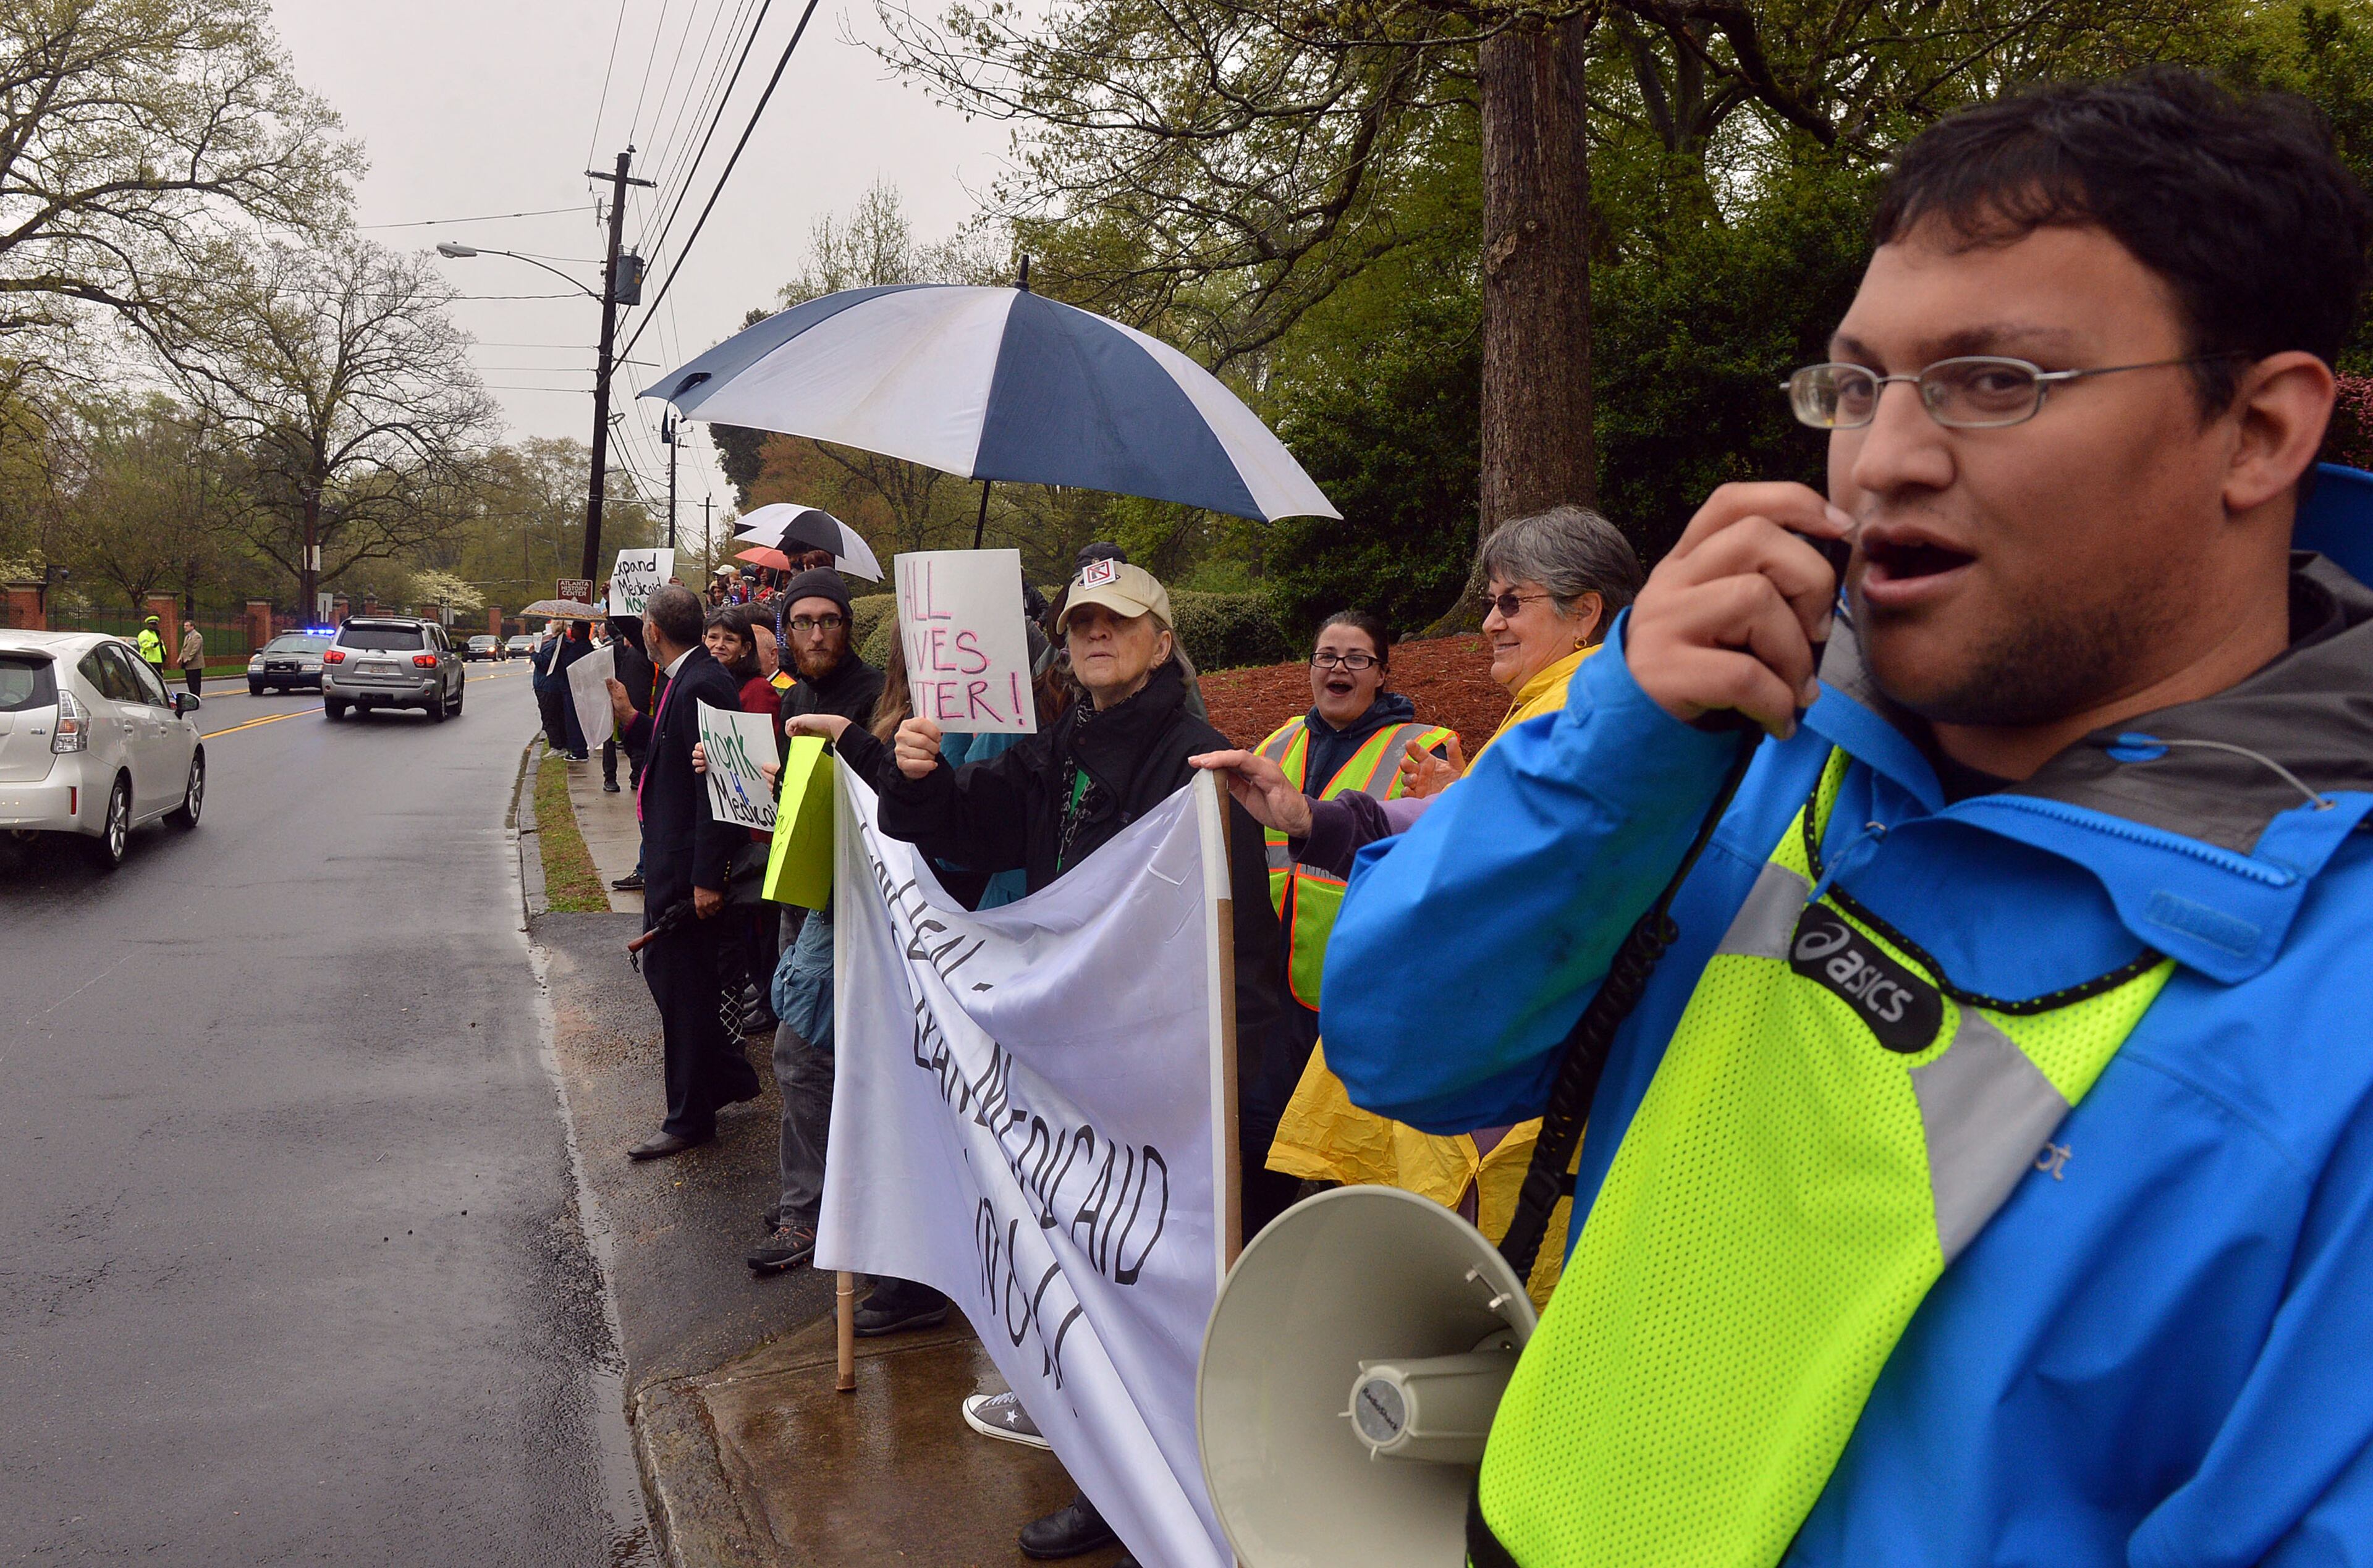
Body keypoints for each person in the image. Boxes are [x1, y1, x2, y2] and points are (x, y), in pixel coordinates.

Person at [1321, 70, 2373, 1566]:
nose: (1883, 458)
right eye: (1856, 384)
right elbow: (1401, 1044)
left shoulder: (2338, 1004)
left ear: (2260, 429)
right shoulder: (1737, 743)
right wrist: (1616, 738)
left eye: (1994, 380)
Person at [843, 557, 1295, 1566]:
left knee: (1158, 1297)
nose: (1094, 635)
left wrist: (1228, 1093)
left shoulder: (1198, 763)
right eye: (1081, 622)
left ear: (1161, 641)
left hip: (1177, 1083)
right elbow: (975, 819)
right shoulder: (1069, 740)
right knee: (1094, 1285)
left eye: (1118, 622)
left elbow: (1236, 952)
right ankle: (1112, 1478)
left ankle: (1177, 1491)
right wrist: (907, 775)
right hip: (1086, 1066)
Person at [1198, 513, 1643, 1301]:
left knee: (1489, 1295)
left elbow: (1506, 867)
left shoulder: (1576, 708)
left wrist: (1328, 822)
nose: (1490, 621)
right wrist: (1318, 817)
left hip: (1504, 1063)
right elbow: (1491, 826)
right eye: (1492, 601)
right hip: (1484, 1048)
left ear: (1586, 613)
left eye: (1512, 602)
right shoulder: (1569, 702)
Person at [740, 568, 894, 1289]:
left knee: (801, 1057)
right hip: (801, 891)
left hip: (857, 902)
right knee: (808, 1060)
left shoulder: (876, 697)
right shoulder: (792, 697)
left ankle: (810, 1212)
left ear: (849, 626)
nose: (815, 634)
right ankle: (815, 1197)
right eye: (801, 622)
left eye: (828, 621)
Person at [606, 584, 762, 1160]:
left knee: (681, 988)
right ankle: (727, 1077)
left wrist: (706, 878)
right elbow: (675, 754)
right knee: (677, 983)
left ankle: (689, 1118)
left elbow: (716, 788)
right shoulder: (688, 676)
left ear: (652, 631)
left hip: (689, 871)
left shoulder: (703, 682)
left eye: (643, 623)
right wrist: (631, 719)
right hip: (675, 862)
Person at [601, 613, 655, 801]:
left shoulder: (638, 653)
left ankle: (615, 777)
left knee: (611, 739)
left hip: (627, 705)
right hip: (624, 704)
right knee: (611, 739)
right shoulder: (633, 653)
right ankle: (616, 777)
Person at [531, 620, 569, 752]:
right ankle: (562, 744)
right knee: (558, 716)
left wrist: (534, 653)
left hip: (547, 686)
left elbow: (544, 663)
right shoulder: (564, 644)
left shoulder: (553, 646)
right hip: (556, 686)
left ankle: (556, 746)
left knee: (549, 717)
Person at [137, 615, 167, 680]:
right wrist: (153, 645)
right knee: (149, 679)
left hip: (158, 661)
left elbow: (161, 646)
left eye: (155, 624)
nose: (154, 626)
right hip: (148, 660)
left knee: (159, 680)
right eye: (152, 624)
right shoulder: (144, 634)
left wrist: (164, 655)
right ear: (148, 625)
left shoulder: (157, 634)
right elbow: (144, 645)